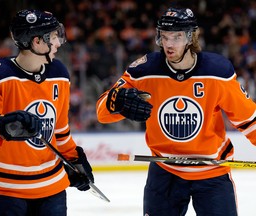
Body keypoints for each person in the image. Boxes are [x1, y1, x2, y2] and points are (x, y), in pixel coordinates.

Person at [96, 7, 256, 216]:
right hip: (165, 171)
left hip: (211, 173)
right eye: (164, 37)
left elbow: (249, 120)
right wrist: (116, 101)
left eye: (177, 37)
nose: (169, 44)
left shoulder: (218, 72)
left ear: (191, 37)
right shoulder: (144, 71)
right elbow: (102, 112)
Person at [0, 9, 94, 216]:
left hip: (51, 188)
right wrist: (4, 127)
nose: (59, 43)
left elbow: (59, 130)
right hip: (2, 189)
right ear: (37, 41)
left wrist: (74, 161)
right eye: (54, 37)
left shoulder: (59, 73)